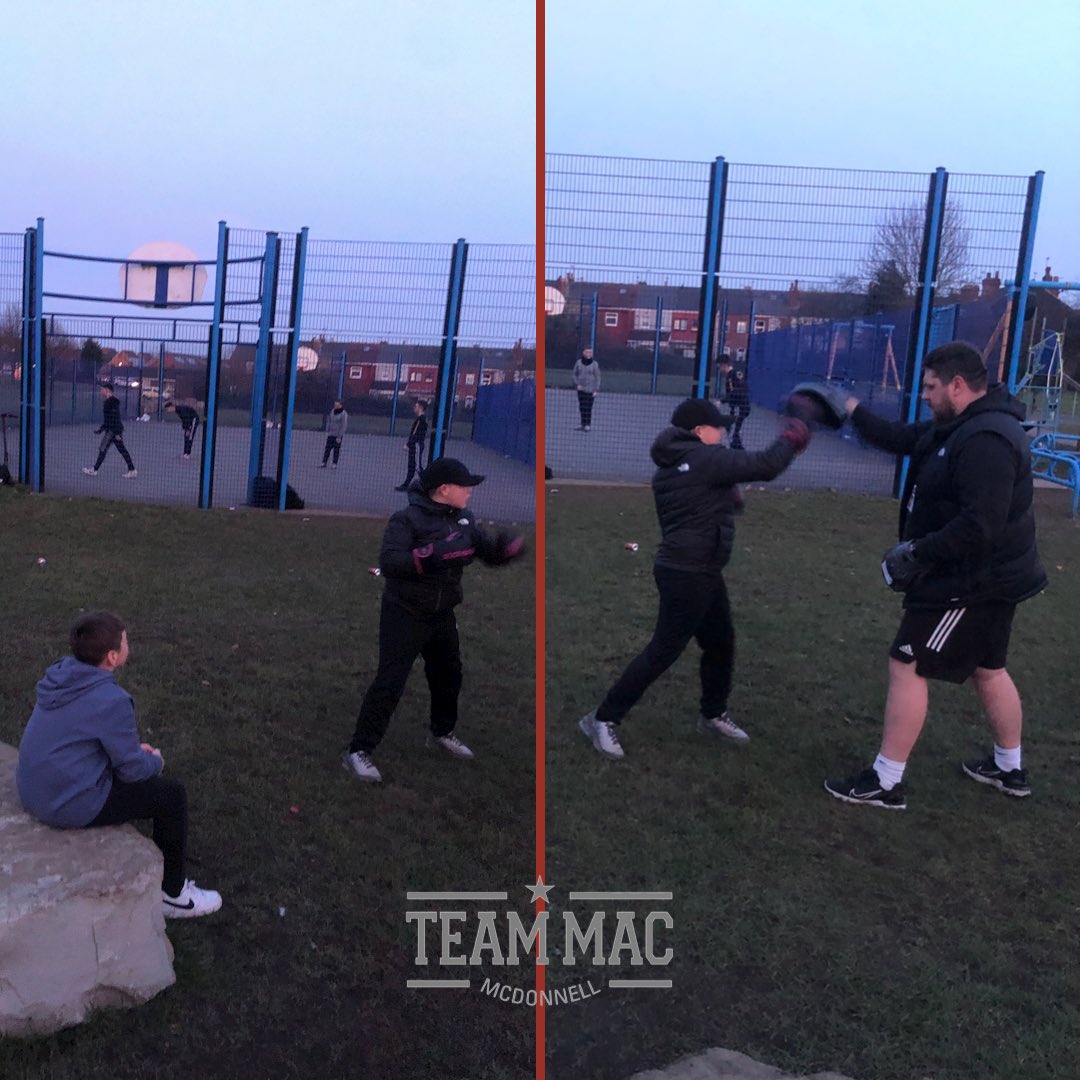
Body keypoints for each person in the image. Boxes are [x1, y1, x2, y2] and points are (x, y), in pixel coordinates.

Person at [821, 341, 1047, 810]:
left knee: (908, 662)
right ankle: (1009, 768)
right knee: (989, 669)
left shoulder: (988, 440)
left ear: (958, 385)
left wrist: (916, 553)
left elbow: (979, 526)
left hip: (972, 581)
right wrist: (850, 409)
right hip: (989, 576)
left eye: (930, 386)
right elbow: (903, 438)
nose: (923, 394)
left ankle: (885, 782)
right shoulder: (956, 424)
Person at [579, 398, 811, 760]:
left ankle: (713, 713)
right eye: (719, 427)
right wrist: (795, 432)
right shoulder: (704, 458)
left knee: (721, 641)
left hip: (698, 567)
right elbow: (766, 465)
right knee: (664, 649)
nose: (724, 432)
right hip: (689, 572)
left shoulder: (673, 464)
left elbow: (697, 498)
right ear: (700, 432)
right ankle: (603, 718)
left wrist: (721, 496)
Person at [15, 611, 222, 918]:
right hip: (63, 803)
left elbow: (84, 734)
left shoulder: (62, 675)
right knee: (171, 796)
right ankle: (173, 894)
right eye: (126, 640)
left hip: (32, 789)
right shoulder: (111, 700)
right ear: (112, 657)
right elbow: (133, 771)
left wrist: (133, 752)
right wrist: (154, 760)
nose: (129, 644)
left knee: (135, 765)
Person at [344, 457, 527, 782]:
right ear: (444, 489)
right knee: (390, 683)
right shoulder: (406, 520)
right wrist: (432, 555)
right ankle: (359, 751)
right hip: (405, 612)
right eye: (465, 486)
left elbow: (484, 552)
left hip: (442, 614)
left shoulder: (465, 520)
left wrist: (505, 552)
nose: (470, 492)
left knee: (449, 675)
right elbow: (390, 562)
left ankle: (441, 732)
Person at [83, 382, 137, 478]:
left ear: (107, 390)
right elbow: (108, 419)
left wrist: (117, 433)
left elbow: (115, 418)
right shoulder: (109, 402)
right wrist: (101, 429)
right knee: (120, 449)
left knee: (103, 448)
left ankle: (94, 470)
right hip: (113, 430)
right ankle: (132, 470)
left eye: (102, 389)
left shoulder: (111, 403)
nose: (101, 391)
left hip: (113, 431)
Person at [718, 355, 751, 449]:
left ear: (724, 365)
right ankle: (737, 449)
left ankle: (738, 452)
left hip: (740, 408)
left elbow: (738, 391)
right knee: (734, 433)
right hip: (737, 407)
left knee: (734, 431)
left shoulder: (735, 374)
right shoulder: (731, 376)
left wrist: (722, 401)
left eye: (720, 366)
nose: (720, 369)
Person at [396, 399, 428, 491]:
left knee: (418, 466)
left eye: (416, 406)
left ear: (421, 408)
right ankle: (406, 485)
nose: (414, 408)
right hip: (416, 444)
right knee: (412, 466)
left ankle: (428, 484)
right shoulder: (422, 419)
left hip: (416, 445)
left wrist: (409, 444)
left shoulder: (420, 420)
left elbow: (414, 433)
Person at [573, 348, 601, 431]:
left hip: (590, 390)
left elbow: (598, 377)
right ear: (583, 352)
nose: (588, 353)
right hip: (581, 390)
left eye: (590, 352)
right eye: (587, 351)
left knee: (588, 407)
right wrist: (577, 384)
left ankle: (587, 425)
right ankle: (582, 424)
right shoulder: (578, 363)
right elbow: (574, 374)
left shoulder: (595, 364)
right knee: (582, 407)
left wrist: (596, 390)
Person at [318, 399, 348, 469]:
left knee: (336, 449)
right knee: (327, 448)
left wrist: (339, 436)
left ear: (340, 405)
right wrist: (328, 430)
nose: (335, 406)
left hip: (337, 435)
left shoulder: (344, 414)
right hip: (331, 434)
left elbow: (343, 426)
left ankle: (334, 464)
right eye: (335, 404)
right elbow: (330, 420)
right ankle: (324, 462)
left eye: (337, 405)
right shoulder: (332, 411)